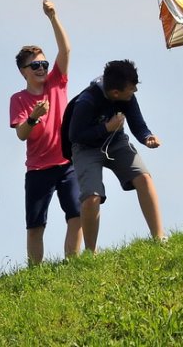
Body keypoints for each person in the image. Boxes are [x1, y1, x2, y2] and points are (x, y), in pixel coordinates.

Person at [9, 0, 82, 264]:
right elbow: (21, 134)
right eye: (35, 66)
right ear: (23, 71)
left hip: (67, 162)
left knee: (77, 214)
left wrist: (53, 17)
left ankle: (73, 263)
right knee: (36, 225)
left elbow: (66, 48)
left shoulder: (57, 82)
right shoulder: (18, 99)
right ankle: (35, 272)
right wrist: (33, 118)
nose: (41, 69)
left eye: (44, 64)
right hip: (38, 169)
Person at [67, 59, 165, 252]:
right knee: (92, 198)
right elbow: (75, 135)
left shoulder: (128, 98)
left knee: (144, 178)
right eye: (131, 89)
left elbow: (138, 124)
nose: (134, 93)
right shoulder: (87, 101)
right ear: (115, 93)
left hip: (116, 142)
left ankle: (159, 237)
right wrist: (106, 127)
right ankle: (90, 252)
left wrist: (147, 137)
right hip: (86, 148)